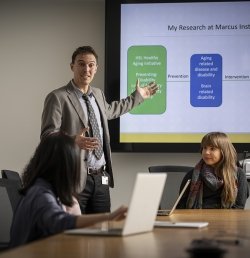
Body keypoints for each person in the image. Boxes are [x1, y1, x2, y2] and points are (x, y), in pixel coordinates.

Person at [41, 46, 158, 214]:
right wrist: (73, 140)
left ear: (96, 68)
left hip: (101, 177)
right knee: (75, 231)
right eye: (81, 64)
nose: (86, 69)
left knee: (103, 229)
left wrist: (137, 97)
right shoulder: (57, 97)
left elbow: (112, 110)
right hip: (74, 177)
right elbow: (47, 136)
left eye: (91, 65)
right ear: (72, 66)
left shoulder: (98, 94)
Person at [10, 132, 127, 248]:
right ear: (66, 166)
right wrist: (109, 217)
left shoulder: (47, 189)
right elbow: (59, 222)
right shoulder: (40, 193)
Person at [177, 132, 249, 209]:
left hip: (227, 219)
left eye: (212, 149)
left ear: (223, 152)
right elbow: (181, 205)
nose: (206, 152)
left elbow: (239, 207)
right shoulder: (192, 174)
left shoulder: (238, 174)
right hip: (197, 218)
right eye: (204, 148)